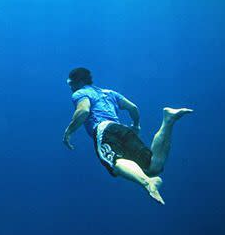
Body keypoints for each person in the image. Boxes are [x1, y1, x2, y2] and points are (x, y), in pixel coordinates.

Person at [62, 67, 192, 205]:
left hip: (103, 129)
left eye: (71, 83)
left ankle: (148, 184)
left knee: (115, 163)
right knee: (153, 168)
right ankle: (168, 120)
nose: (70, 87)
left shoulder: (80, 93)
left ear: (80, 82)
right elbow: (133, 108)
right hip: (122, 128)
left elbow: (83, 111)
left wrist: (69, 132)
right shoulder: (109, 93)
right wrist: (136, 126)